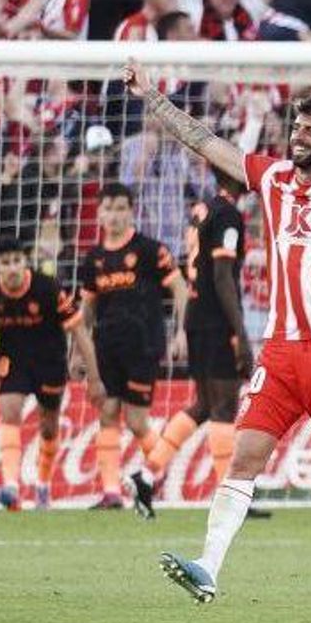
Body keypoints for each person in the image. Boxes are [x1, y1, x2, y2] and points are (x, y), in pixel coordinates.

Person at [151, 25, 311, 606]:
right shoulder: (272, 177)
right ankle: (208, 567)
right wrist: (151, 96)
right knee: (246, 455)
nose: (298, 138)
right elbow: (205, 142)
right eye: (296, 128)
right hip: (282, 351)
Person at [134, 172, 258, 516]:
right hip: (217, 320)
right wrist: (240, 332)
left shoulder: (202, 210)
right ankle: (231, 499)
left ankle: (146, 473)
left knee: (203, 404)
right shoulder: (228, 214)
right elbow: (222, 275)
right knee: (224, 407)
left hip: (195, 316)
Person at [78, 182, 188, 514]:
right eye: (108, 208)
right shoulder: (93, 259)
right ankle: (111, 493)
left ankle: (158, 469)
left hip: (143, 344)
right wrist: (76, 354)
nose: (114, 215)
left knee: (138, 421)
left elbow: (180, 290)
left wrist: (181, 332)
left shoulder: (150, 250)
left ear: (131, 210)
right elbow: (85, 313)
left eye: (120, 208)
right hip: (106, 347)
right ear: (99, 213)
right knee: (107, 413)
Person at [0, 237, 100, 511]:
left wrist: (94, 376)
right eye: (5, 263)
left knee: (49, 426)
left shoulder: (48, 288)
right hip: (12, 360)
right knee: (9, 410)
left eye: (17, 261)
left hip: (49, 361)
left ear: (26, 262)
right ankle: (11, 485)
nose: (12, 268)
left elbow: (79, 331)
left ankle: (43, 485)